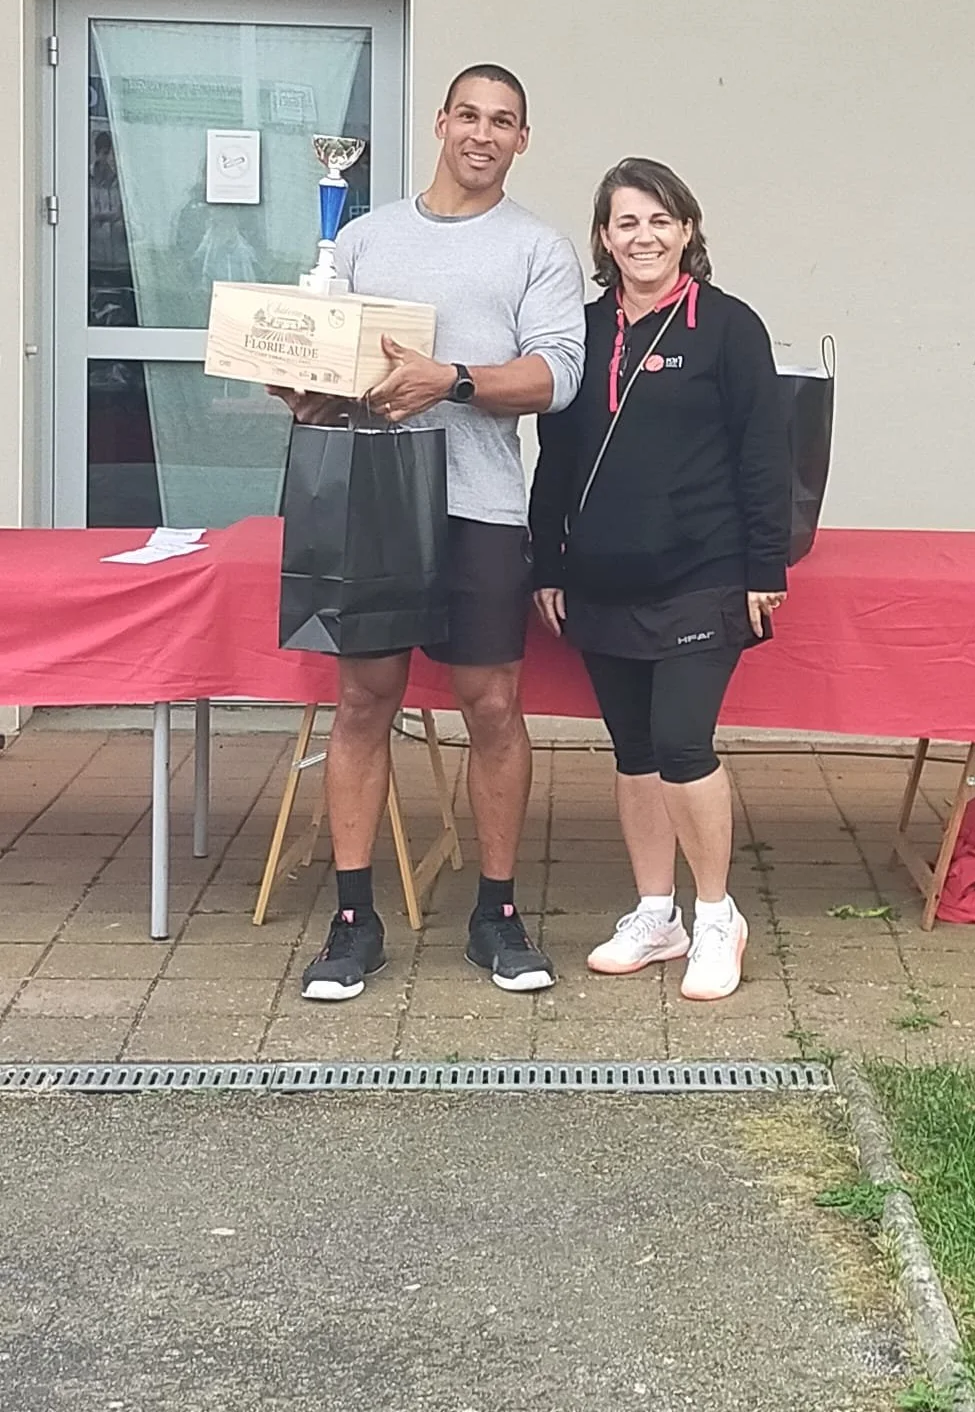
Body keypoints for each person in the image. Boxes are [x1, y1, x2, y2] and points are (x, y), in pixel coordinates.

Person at [280, 64, 585, 1002]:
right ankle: (352, 922)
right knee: (362, 703)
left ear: (522, 139)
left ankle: (496, 914)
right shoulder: (363, 238)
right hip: (371, 501)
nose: (483, 134)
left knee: (491, 707)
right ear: (442, 122)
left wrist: (448, 380)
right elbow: (326, 359)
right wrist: (303, 388)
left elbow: (558, 375)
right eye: (470, 116)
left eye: (504, 121)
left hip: (480, 505)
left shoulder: (537, 248)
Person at [528, 158, 790, 1002]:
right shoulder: (580, 331)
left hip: (703, 573)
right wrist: (546, 561)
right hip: (601, 577)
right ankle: (656, 915)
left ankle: (716, 917)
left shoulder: (730, 327)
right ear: (603, 239)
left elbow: (765, 456)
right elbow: (556, 459)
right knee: (635, 751)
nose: (644, 237)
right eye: (626, 223)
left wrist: (765, 566)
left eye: (659, 220)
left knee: (681, 744)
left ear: (687, 230)